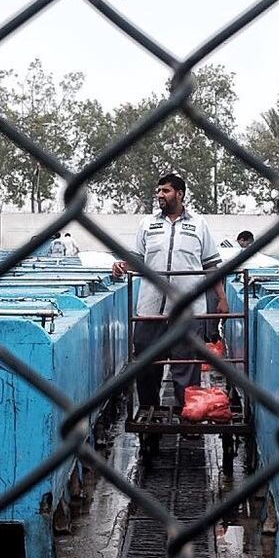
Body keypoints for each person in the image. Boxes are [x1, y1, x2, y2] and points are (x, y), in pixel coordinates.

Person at [112, 174, 228, 441]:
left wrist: (221, 298)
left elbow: (211, 265)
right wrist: (121, 266)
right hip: (151, 308)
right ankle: (150, 417)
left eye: (165, 191)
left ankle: (189, 419)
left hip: (187, 310)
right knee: (146, 364)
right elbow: (136, 259)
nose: (160, 195)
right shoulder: (147, 224)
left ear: (180, 194)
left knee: (186, 366)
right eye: (158, 191)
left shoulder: (199, 225)